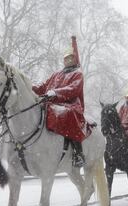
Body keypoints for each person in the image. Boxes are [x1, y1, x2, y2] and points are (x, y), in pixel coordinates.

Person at [32, 37, 86, 167]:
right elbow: (43, 87)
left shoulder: (78, 74)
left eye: (70, 58)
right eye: (65, 58)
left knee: (66, 113)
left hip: (71, 105)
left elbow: (73, 89)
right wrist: (29, 85)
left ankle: (78, 153)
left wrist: (56, 93)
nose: (67, 60)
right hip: (51, 103)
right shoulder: (56, 74)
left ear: (75, 59)